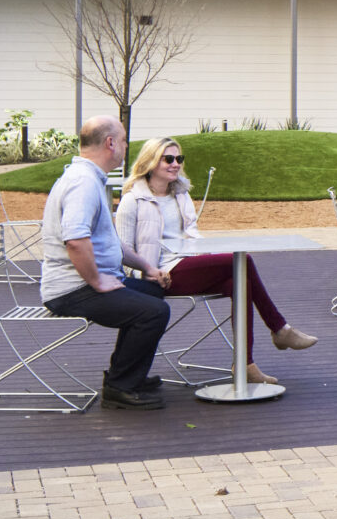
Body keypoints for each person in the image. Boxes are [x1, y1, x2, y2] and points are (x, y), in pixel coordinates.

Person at [116, 138, 317, 383]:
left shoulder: (180, 194)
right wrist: (145, 273)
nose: (175, 164)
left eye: (179, 159)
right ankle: (280, 329)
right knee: (243, 260)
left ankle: (246, 364)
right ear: (150, 161)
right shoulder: (133, 200)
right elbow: (123, 250)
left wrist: (201, 252)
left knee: (240, 281)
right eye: (168, 159)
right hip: (160, 274)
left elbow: (192, 233)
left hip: (187, 264)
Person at [39, 116, 170, 409]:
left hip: (84, 282)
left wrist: (147, 268)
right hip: (72, 290)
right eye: (124, 140)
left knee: (153, 294)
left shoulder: (90, 179)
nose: (126, 146)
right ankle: (120, 387)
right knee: (153, 312)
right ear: (110, 143)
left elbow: (109, 242)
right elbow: (75, 239)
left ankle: (126, 375)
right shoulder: (82, 183)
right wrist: (97, 280)